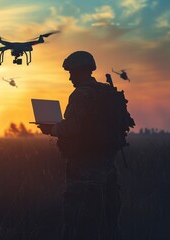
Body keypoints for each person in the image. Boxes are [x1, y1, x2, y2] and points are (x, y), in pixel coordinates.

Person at [38, 51, 126, 240]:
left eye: (72, 72)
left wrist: (52, 129)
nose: (70, 77)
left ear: (80, 71)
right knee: (109, 227)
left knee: (77, 227)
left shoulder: (80, 95)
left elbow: (73, 127)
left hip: (83, 171)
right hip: (108, 168)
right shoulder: (106, 91)